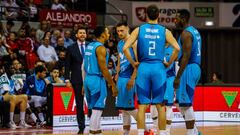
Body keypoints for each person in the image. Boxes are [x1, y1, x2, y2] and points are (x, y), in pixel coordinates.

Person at [123, 4, 180, 135]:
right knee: (160, 106)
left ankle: (141, 133)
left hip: (143, 68)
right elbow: (177, 48)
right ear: (158, 15)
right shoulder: (165, 31)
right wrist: (169, 63)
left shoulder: (139, 29)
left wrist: (134, 63)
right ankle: (163, 133)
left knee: (142, 106)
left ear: (146, 15)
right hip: (159, 69)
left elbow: (125, 47)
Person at [84, 26, 118, 135]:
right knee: (97, 109)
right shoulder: (101, 48)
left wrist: (83, 83)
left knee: (94, 108)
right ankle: (92, 131)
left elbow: (83, 66)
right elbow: (104, 69)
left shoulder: (89, 46)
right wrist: (112, 84)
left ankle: (97, 131)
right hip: (97, 79)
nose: (109, 34)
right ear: (103, 34)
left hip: (88, 78)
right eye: (107, 32)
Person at [174, 9, 202, 135]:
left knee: (186, 105)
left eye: (177, 18)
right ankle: (195, 132)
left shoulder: (186, 34)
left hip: (188, 68)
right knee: (179, 103)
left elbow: (186, 56)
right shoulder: (195, 31)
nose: (175, 20)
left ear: (183, 19)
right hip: (194, 67)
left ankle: (191, 133)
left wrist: (178, 76)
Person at [115, 22, 139, 135]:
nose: (120, 33)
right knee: (123, 108)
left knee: (130, 107)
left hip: (130, 77)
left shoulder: (134, 43)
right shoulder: (120, 43)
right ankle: (126, 133)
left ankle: (148, 130)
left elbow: (138, 63)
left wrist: (133, 78)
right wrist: (117, 73)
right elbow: (119, 60)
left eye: (122, 30)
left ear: (127, 29)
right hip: (121, 77)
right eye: (118, 31)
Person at [64, 26, 88, 135]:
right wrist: (66, 80)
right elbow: (67, 65)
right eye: (80, 33)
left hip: (90, 78)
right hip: (77, 79)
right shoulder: (70, 48)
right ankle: (81, 127)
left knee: (92, 103)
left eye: (84, 33)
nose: (82, 34)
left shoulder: (90, 47)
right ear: (77, 35)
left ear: (86, 35)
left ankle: (94, 124)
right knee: (79, 104)